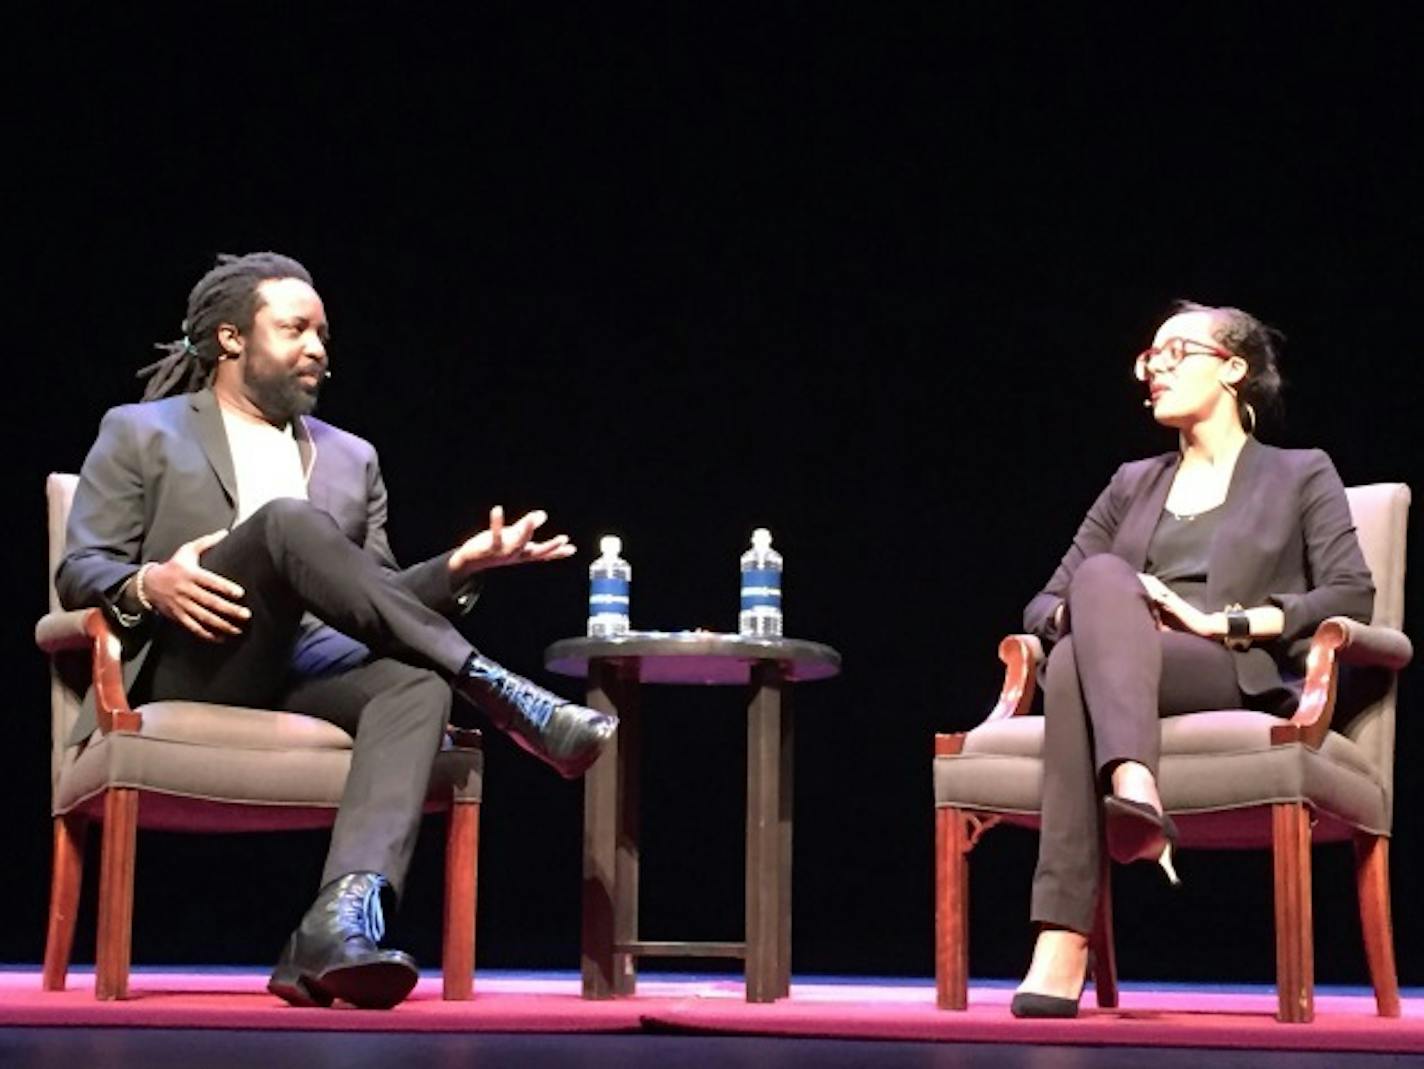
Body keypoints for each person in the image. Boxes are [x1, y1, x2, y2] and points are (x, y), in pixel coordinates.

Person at [57, 252, 617, 1010]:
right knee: (287, 521)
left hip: (311, 669)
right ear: (230, 338)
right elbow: (80, 568)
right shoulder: (141, 432)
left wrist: (457, 565)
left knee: (415, 680)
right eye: (295, 329)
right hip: (198, 659)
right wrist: (148, 582)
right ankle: (494, 686)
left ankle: (336, 925)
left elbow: (376, 602)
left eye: (323, 333)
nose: (318, 347)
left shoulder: (353, 458)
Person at [1010, 302, 1375, 1018]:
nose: (1155, 370)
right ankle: (1133, 782)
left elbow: (1350, 593)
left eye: (1176, 352)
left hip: (1223, 668)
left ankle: (1062, 936)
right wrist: (1108, 613)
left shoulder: (1300, 473)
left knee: (1070, 666)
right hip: (1121, 665)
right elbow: (1041, 604)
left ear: (1234, 369)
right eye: (1150, 359)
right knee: (1094, 595)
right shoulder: (1129, 483)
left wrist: (1221, 620)